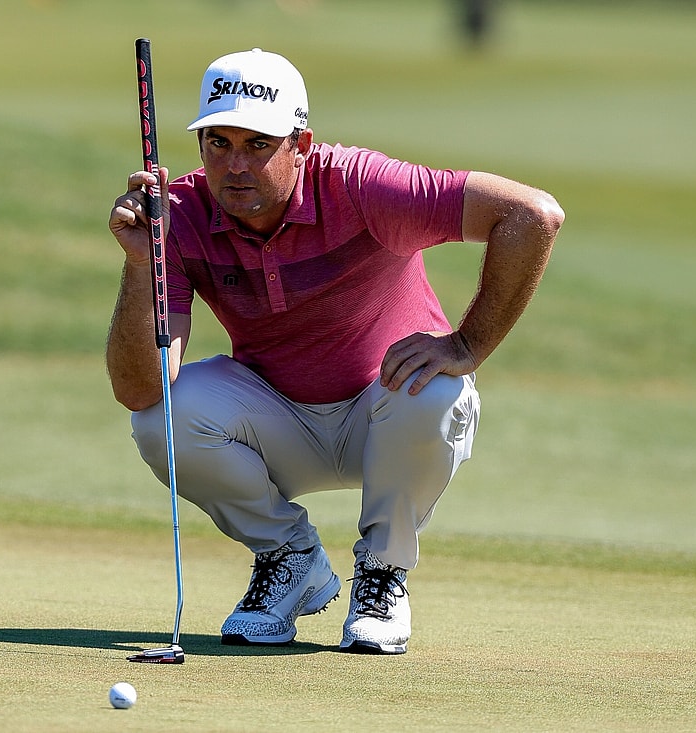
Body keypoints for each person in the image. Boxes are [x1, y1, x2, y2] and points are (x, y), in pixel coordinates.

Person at [107, 48, 563, 654]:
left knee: (438, 388)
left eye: (258, 144)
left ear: (301, 141)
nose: (235, 166)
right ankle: (289, 561)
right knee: (161, 418)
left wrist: (467, 342)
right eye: (218, 143)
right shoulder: (181, 215)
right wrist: (143, 263)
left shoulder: (359, 185)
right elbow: (142, 387)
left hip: (386, 418)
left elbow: (532, 215)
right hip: (282, 423)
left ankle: (381, 573)